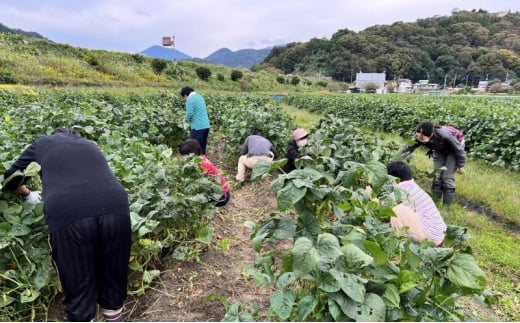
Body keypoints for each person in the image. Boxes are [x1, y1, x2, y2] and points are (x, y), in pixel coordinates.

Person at [2, 128, 131, 322]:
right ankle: (114, 316)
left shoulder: (42, 143)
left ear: (54, 135)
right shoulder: (90, 145)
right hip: (116, 207)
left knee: (78, 284)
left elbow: (11, 178)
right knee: (113, 276)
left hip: (69, 211)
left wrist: (28, 193)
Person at [402, 121, 465, 209]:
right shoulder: (419, 135)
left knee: (447, 177)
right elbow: (408, 148)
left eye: (422, 138)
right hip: (439, 149)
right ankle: (434, 204)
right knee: (437, 175)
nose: (419, 139)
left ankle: (447, 208)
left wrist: (460, 164)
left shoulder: (445, 135)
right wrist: (396, 159)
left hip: (454, 150)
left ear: (431, 135)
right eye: (418, 136)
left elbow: (459, 149)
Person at [386, 161, 447, 246]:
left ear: (392, 179)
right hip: (439, 235)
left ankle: (400, 246)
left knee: (396, 210)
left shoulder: (400, 190)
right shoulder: (412, 186)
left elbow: (382, 208)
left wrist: (370, 195)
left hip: (431, 238)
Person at [179, 139, 230, 207]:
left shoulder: (200, 165)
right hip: (220, 192)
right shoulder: (201, 158)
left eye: (185, 155)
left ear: (193, 153)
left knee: (193, 200)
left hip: (222, 197)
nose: (183, 158)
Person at [181, 86, 210, 155]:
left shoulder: (190, 99)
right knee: (202, 146)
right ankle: (204, 162)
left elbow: (189, 113)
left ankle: (198, 164)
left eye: (184, 98)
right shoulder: (200, 97)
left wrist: (185, 120)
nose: (185, 99)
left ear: (185, 95)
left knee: (194, 147)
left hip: (197, 127)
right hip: (206, 125)